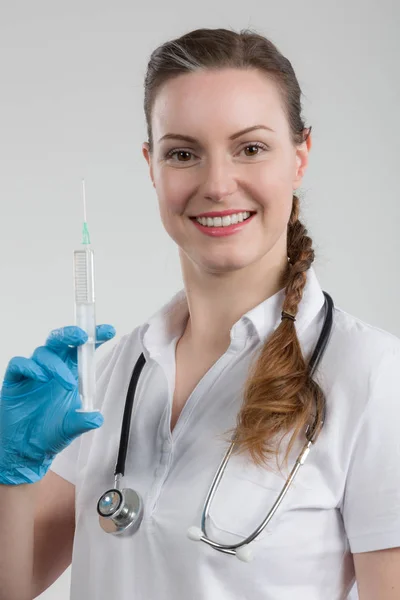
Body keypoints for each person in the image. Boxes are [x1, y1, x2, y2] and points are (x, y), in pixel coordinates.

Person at [0, 27, 399, 600]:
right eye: (184, 153)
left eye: (251, 148)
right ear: (151, 165)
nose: (216, 184)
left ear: (300, 156)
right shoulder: (111, 375)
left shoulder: (372, 377)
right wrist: (13, 472)